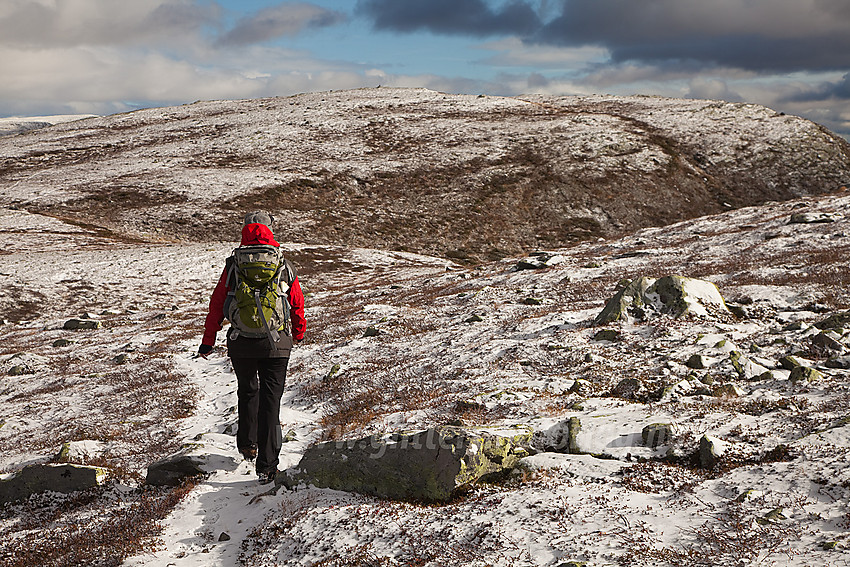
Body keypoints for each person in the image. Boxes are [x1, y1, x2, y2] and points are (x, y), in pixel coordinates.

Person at [198, 211, 306, 483]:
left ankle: (247, 444)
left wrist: (208, 341)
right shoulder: (282, 263)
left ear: (245, 231)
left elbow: (217, 304)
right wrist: (298, 332)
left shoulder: (234, 264)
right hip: (276, 343)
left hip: (241, 343)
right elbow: (296, 302)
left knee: (248, 389)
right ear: (270, 231)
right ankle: (267, 466)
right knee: (271, 400)